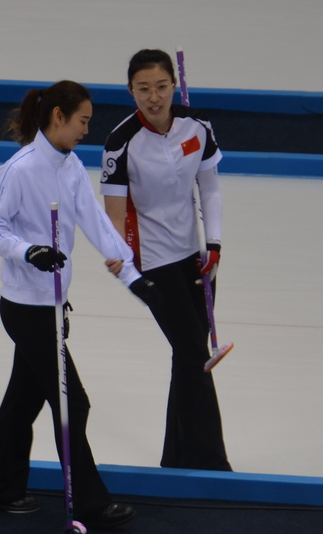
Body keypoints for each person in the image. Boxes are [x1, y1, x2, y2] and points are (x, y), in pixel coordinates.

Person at [0, 79, 168, 528]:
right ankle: (91, 504)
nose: (85, 130)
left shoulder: (72, 166)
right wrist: (29, 251)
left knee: (23, 402)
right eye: (82, 121)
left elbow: (96, 222)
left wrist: (133, 277)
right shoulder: (19, 169)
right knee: (71, 404)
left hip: (54, 307)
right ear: (58, 117)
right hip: (26, 308)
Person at [100, 49, 233, 471]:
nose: (153, 97)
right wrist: (129, 274)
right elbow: (114, 218)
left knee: (186, 356)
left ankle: (175, 461)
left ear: (174, 85)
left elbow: (209, 188)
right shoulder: (120, 143)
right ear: (130, 92)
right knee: (196, 355)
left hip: (196, 258)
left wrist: (213, 245)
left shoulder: (198, 126)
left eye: (160, 87)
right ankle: (211, 463)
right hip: (152, 263)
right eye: (143, 90)